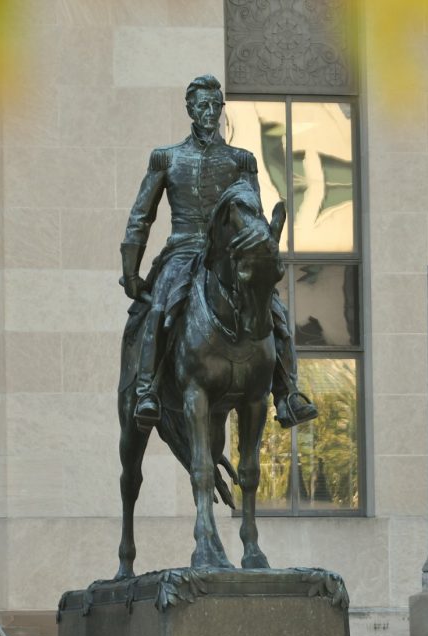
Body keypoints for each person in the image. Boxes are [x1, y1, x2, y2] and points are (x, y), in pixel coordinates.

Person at [120, 74, 317, 432]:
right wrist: (131, 271)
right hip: (181, 251)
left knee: (276, 310)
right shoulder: (167, 158)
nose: (211, 112)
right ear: (190, 110)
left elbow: (253, 212)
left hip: (226, 254)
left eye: (216, 105)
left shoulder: (240, 160)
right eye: (203, 105)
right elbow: (141, 217)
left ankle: (288, 392)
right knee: (159, 306)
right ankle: (148, 389)